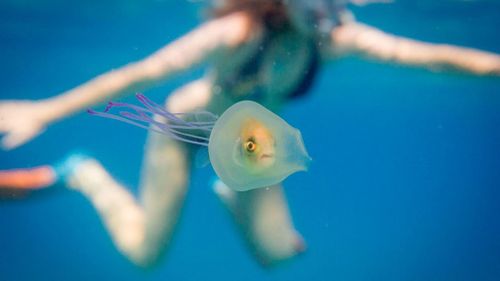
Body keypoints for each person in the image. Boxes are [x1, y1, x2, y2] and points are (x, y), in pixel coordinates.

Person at [0, 0, 498, 267]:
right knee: (144, 256)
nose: (325, 8)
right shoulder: (235, 32)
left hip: (248, 148)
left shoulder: (336, 40)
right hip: (183, 131)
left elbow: (432, 57)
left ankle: (231, 190)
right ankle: (81, 173)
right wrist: (47, 109)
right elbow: (139, 75)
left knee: (278, 256)